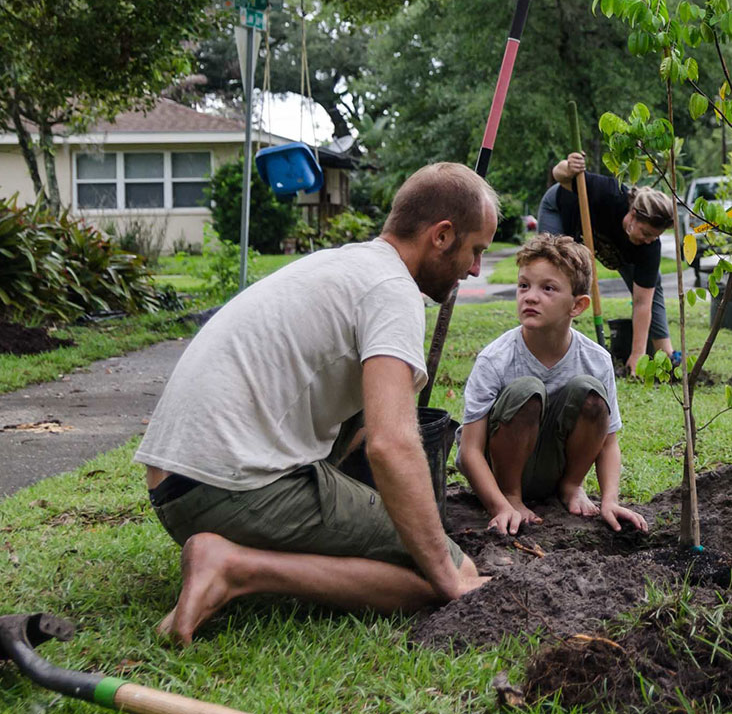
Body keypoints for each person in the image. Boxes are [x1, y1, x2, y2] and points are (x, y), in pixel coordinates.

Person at [133, 162, 499, 645]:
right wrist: (448, 574)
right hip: (230, 490)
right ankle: (236, 568)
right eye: (476, 250)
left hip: (175, 487)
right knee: (448, 571)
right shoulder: (392, 291)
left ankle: (237, 555)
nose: (475, 268)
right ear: (442, 235)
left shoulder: (345, 264)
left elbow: (366, 423)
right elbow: (391, 444)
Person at [457, 233, 648, 536]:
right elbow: (469, 451)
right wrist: (500, 505)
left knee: (591, 394)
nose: (530, 296)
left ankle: (571, 488)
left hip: (555, 468)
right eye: (524, 285)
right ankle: (513, 496)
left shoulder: (596, 359)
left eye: (548, 288)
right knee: (526, 390)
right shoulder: (496, 358)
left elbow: (609, 441)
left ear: (577, 306)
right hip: (499, 471)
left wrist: (610, 500)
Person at [534, 154, 677, 374]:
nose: (649, 240)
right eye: (646, 233)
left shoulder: (648, 246)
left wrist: (637, 355)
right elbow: (559, 174)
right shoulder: (608, 193)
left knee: (651, 284)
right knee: (556, 274)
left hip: (614, 247)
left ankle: (665, 355)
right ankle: (549, 345)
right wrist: (569, 167)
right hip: (561, 210)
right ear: (633, 213)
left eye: (654, 237)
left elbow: (642, 303)